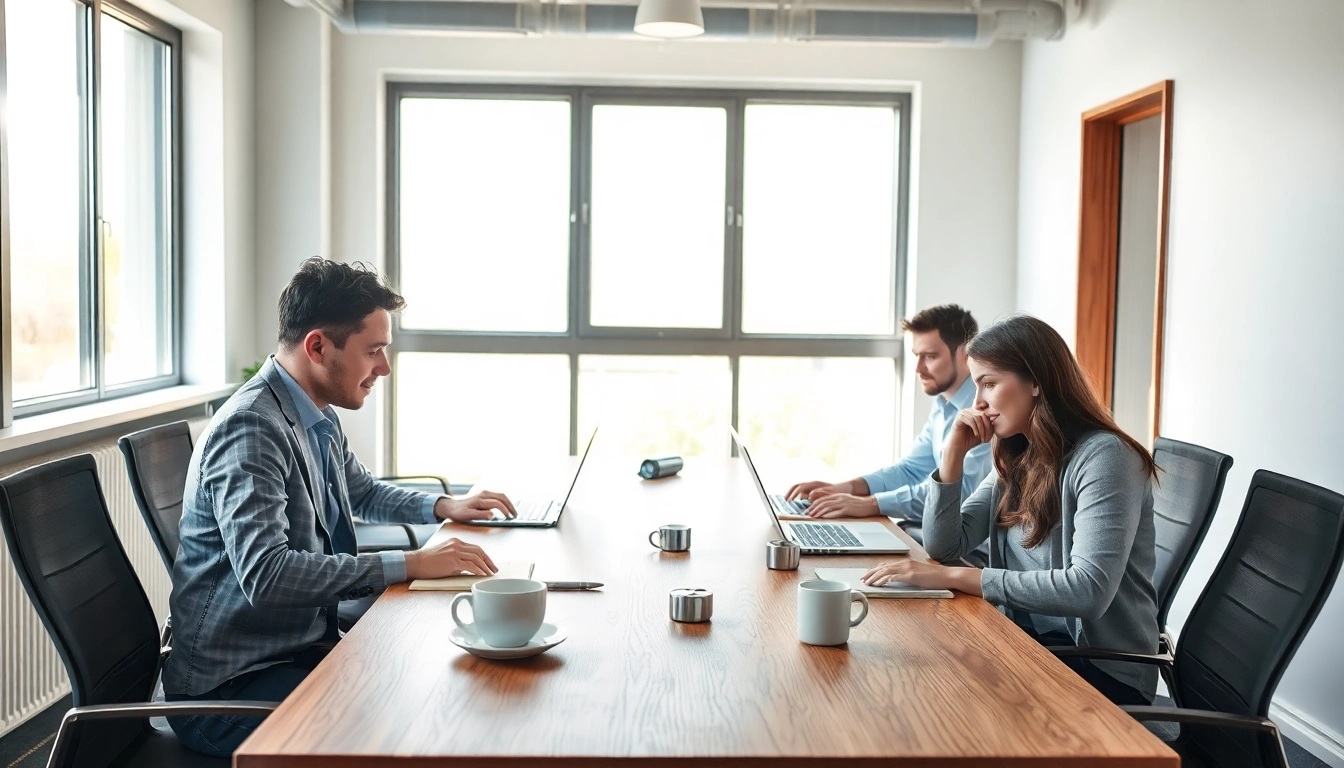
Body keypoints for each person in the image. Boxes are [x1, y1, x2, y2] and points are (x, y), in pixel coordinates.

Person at [163, 258, 518, 756]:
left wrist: (445, 505)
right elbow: (267, 575)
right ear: (317, 346)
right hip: (229, 691)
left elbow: (363, 492)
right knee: (405, 729)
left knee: (427, 682)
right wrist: (410, 563)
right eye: (374, 351)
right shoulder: (252, 429)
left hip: (294, 651)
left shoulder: (314, 413)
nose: (384, 368)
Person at [860, 315, 1160, 705]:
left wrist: (956, 577)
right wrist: (951, 456)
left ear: (1036, 381)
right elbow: (945, 544)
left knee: (936, 697)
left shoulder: (1106, 459)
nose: (977, 403)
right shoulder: (1020, 453)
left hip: (1099, 669)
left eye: (989, 383)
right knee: (910, 672)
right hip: (1030, 641)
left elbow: (1088, 591)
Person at [786, 305, 992, 546]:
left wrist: (870, 504)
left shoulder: (981, 411)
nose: (918, 369)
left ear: (964, 356)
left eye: (930, 356)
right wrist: (848, 488)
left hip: (969, 551)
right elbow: (910, 470)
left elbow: (960, 492)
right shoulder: (943, 405)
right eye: (917, 355)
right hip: (927, 533)